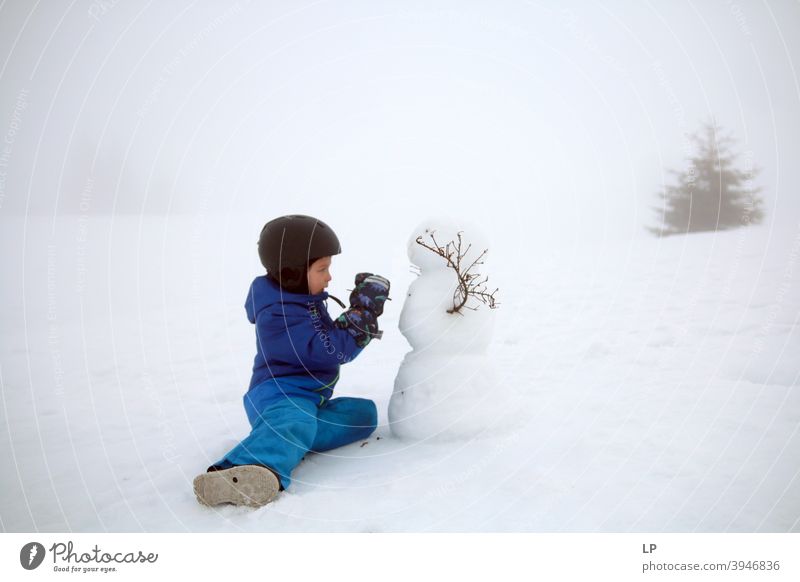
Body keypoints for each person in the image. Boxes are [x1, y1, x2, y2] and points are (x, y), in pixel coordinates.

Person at [193, 214, 390, 507]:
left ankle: (292, 439)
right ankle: (243, 468)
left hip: (310, 400)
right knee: (295, 419)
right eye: (322, 269)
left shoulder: (303, 300)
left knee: (363, 416)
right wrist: (363, 314)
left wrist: (357, 314)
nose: (329, 277)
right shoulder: (278, 314)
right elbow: (331, 350)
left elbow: (327, 337)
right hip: (280, 397)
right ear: (294, 273)